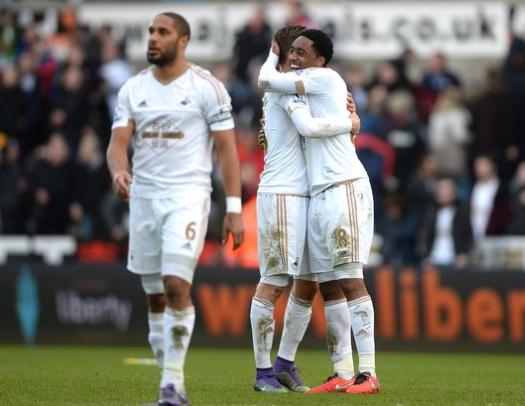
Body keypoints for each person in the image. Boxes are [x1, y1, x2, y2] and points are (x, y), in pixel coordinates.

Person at [106, 13, 244, 406]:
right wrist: (119, 172)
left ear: (182, 41)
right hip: (144, 199)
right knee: (154, 297)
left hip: (188, 196)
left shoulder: (207, 88)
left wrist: (233, 207)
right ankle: (171, 383)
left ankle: (171, 385)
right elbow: (117, 144)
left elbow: (228, 150)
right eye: (150, 31)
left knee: (176, 286)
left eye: (162, 32)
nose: (153, 38)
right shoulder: (133, 89)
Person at [259, 28, 380, 394]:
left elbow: (268, 81)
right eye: (290, 51)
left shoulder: (324, 78)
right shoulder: (301, 88)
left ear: (320, 60)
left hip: (343, 186)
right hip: (317, 193)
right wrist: (349, 124)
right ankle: (342, 372)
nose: (294, 57)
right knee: (327, 285)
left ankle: (369, 373)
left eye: (302, 52)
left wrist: (273, 50)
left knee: (350, 278)